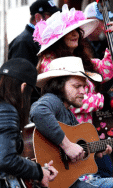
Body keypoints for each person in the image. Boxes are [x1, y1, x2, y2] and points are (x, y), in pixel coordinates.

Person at [30, 56, 113, 188]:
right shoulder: (52, 100)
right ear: (59, 85)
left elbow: (73, 157)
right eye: (77, 86)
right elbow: (38, 112)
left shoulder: (67, 112)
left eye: (84, 86)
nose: (83, 92)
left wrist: (94, 153)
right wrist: (67, 145)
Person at [0, 58, 58, 188]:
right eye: (30, 93)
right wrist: (39, 172)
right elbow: (6, 160)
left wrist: (38, 170)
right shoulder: (5, 111)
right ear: (23, 88)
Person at [33, 4, 113, 124]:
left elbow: (105, 71)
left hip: (86, 130)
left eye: (76, 30)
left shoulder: (79, 58)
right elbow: (66, 99)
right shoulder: (50, 63)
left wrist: (111, 40)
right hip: (67, 131)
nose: (75, 34)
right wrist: (104, 100)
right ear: (58, 38)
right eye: (69, 32)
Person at [8, 0, 60, 66]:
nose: (56, 18)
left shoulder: (42, 38)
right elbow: (21, 74)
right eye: (51, 15)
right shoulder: (23, 43)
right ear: (38, 17)